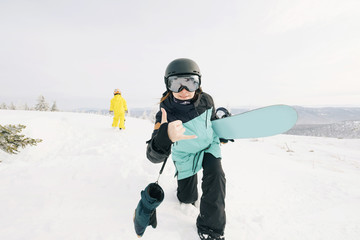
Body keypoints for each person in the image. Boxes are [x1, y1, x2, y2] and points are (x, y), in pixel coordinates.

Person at [146, 58, 226, 240]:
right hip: (185, 154)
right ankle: (186, 192)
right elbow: (153, 156)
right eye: (176, 84)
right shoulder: (165, 113)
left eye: (190, 82)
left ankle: (210, 229)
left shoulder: (207, 100)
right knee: (187, 198)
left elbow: (212, 122)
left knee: (216, 176)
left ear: (198, 83)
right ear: (168, 85)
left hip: (207, 147)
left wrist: (222, 132)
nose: (184, 91)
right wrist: (164, 137)